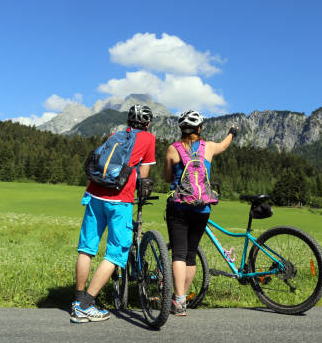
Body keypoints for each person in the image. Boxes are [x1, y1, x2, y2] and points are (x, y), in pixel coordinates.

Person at [71, 104, 156, 323]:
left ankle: (77, 301)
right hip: (119, 200)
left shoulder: (116, 134)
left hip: (94, 194)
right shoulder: (148, 139)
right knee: (116, 252)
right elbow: (143, 176)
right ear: (147, 123)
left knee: (87, 248)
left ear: (129, 120)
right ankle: (86, 306)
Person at [163, 110, 238, 316]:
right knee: (190, 255)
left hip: (179, 207)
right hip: (203, 208)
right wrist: (232, 132)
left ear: (181, 129)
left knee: (178, 253)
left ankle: (178, 301)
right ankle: (182, 299)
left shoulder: (173, 149)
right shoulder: (210, 147)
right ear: (199, 128)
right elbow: (224, 144)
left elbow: (167, 177)